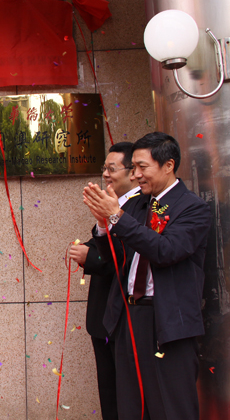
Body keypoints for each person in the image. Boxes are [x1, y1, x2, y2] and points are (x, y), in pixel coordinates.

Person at [83, 132, 211, 420]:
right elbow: (115, 258)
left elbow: (166, 251)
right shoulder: (136, 204)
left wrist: (117, 217)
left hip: (166, 321)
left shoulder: (192, 208)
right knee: (131, 406)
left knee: (170, 407)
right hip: (128, 318)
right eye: (134, 168)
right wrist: (103, 224)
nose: (136, 175)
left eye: (142, 167)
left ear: (168, 165)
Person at [71, 142, 140, 420]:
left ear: (133, 171)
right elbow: (105, 245)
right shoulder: (116, 202)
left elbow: (125, 256)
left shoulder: (141, 207)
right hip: (103, 317)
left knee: (125, 396)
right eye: (104, 168)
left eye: (112, 169)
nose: (105, 174)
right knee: (110, 394)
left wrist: (90, 257)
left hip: (124, 317)